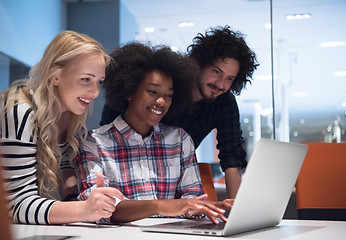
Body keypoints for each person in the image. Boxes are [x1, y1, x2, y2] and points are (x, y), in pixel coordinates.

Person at [75, 42, 232, 224]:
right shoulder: (93, 143)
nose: (161, 101)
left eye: (168, 95)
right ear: (129, 91)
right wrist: (160, 206)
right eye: (152, 91)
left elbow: (192, 197)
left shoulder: (180, 140)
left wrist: (201, 208)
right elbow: (98, 208)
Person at [100, 26, 259, 198]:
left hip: (180, 182)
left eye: (230, 79)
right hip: (130, 175)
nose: (221, 84)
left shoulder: (222, 103)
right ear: (200, 64)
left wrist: (237, 211)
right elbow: (108, 137)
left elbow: (232, 157)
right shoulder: (167, 84)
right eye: (216, 72)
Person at [0, 30, 123, 225]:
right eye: (85, 79)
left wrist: (72, 199)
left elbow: (63, 164)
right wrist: (83, 209)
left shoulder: (68, 111)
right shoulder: (20, 111)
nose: (95, 92)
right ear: (54, 76)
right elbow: (14, 206)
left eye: (98, 81)